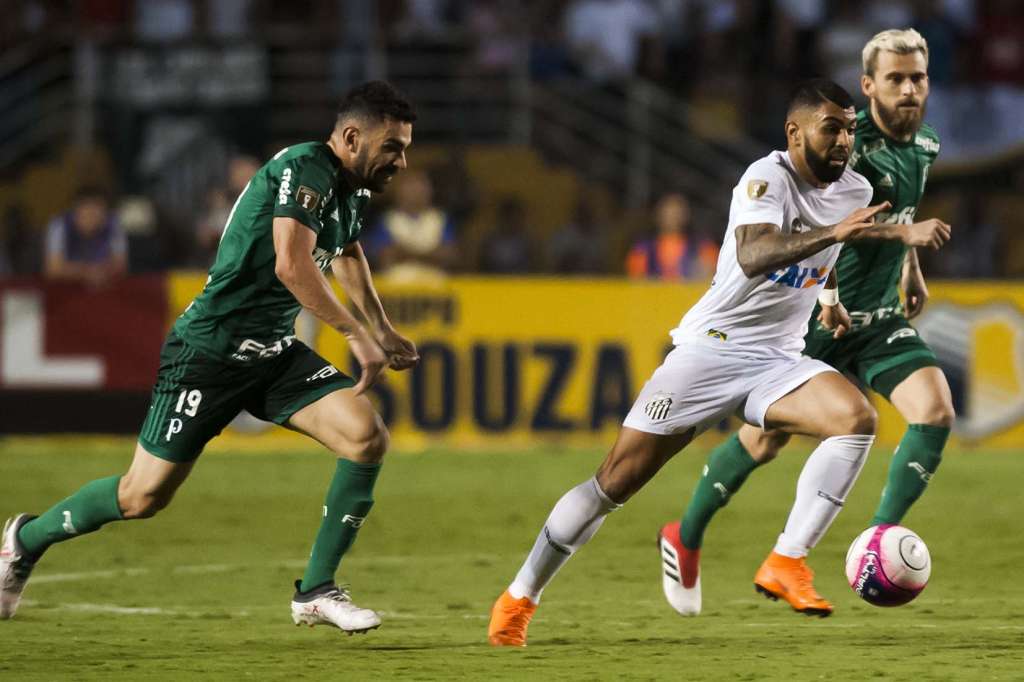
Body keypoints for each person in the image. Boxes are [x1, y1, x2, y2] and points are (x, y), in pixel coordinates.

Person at [1, 81, 420, 634]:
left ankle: (315, 590)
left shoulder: (353, 190)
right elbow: (291, 266)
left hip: (271, 354)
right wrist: (355, 335)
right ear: (350, 137)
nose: (402, 160)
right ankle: (23, 541)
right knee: (141, 496)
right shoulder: (305, 167)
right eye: (393, 146)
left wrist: (382, 327)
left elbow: (345, 251)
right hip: (210, 351)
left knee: (366, 437)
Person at [489, 78, 886, 646]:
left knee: (857, 419)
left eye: (850, 128)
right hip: (712, 351)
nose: (845, 139)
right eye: (833, 128)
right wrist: (835, 232)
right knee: (614, 482)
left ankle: (787, 560)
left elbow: (829, 249)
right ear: (795, 132)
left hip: (778, 359)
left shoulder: (854, 190)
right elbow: (753, 255)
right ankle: (520, 595)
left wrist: (829, 298)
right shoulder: (765, 176)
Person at [665, 28, 953, 618]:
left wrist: (911, 263)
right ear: (868, 84)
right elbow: (837, 225)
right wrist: (887, 248)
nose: (907, 89)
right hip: (824, 317)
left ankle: (874, 544)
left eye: (917, 78)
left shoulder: (925, 143)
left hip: (880, 318)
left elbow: (899, 209)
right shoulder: (846, 145)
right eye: (894, 78)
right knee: (764, 442)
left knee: (936, 411)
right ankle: (685, 534)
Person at [368, 168, 457, 282]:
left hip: (436, 288)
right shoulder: (387, 220)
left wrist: (404, 252)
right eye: (410, 186)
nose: (416, 191)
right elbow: (385, 256)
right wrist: (428, 253)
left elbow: (448, 257)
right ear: (399, 190)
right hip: (395, 289)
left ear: (430, 190)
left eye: (421, 186)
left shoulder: (440, 219)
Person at [43, 186, 128, 286]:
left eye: (97, 212)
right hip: (66, 288)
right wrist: (87, 272)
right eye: (87, 212)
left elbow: (121, 266)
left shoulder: (114, 224)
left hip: (102, 286)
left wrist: (100, 272)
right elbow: (53, 269)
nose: (91, 218)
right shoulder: (59, 225)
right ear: (75, 212)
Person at [626, 192, 718, 280]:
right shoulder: (642, 250)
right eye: (668, 210)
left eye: (677, 210)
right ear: (657, 213)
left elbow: (715, 281)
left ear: (686, 214)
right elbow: (635, 283)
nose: (673, 215)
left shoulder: (704, 247)